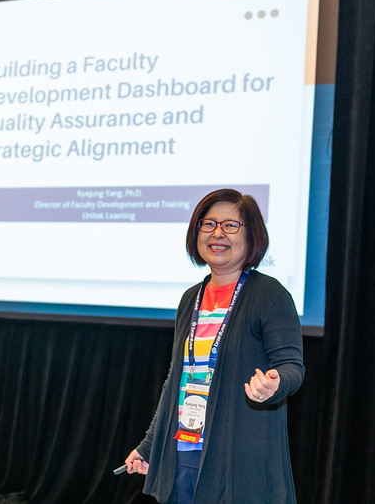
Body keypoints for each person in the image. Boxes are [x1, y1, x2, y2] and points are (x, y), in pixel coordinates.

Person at [124, 188, 305, 504]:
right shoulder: (190, 298)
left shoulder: (269, 295)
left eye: (231, 225)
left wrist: (274, 384)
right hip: (184, 450)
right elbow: (175, 380)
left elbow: (292, 366)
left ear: (253, 236)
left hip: (237, 457)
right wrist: (149, 445)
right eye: (207, 224)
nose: (217, 233)